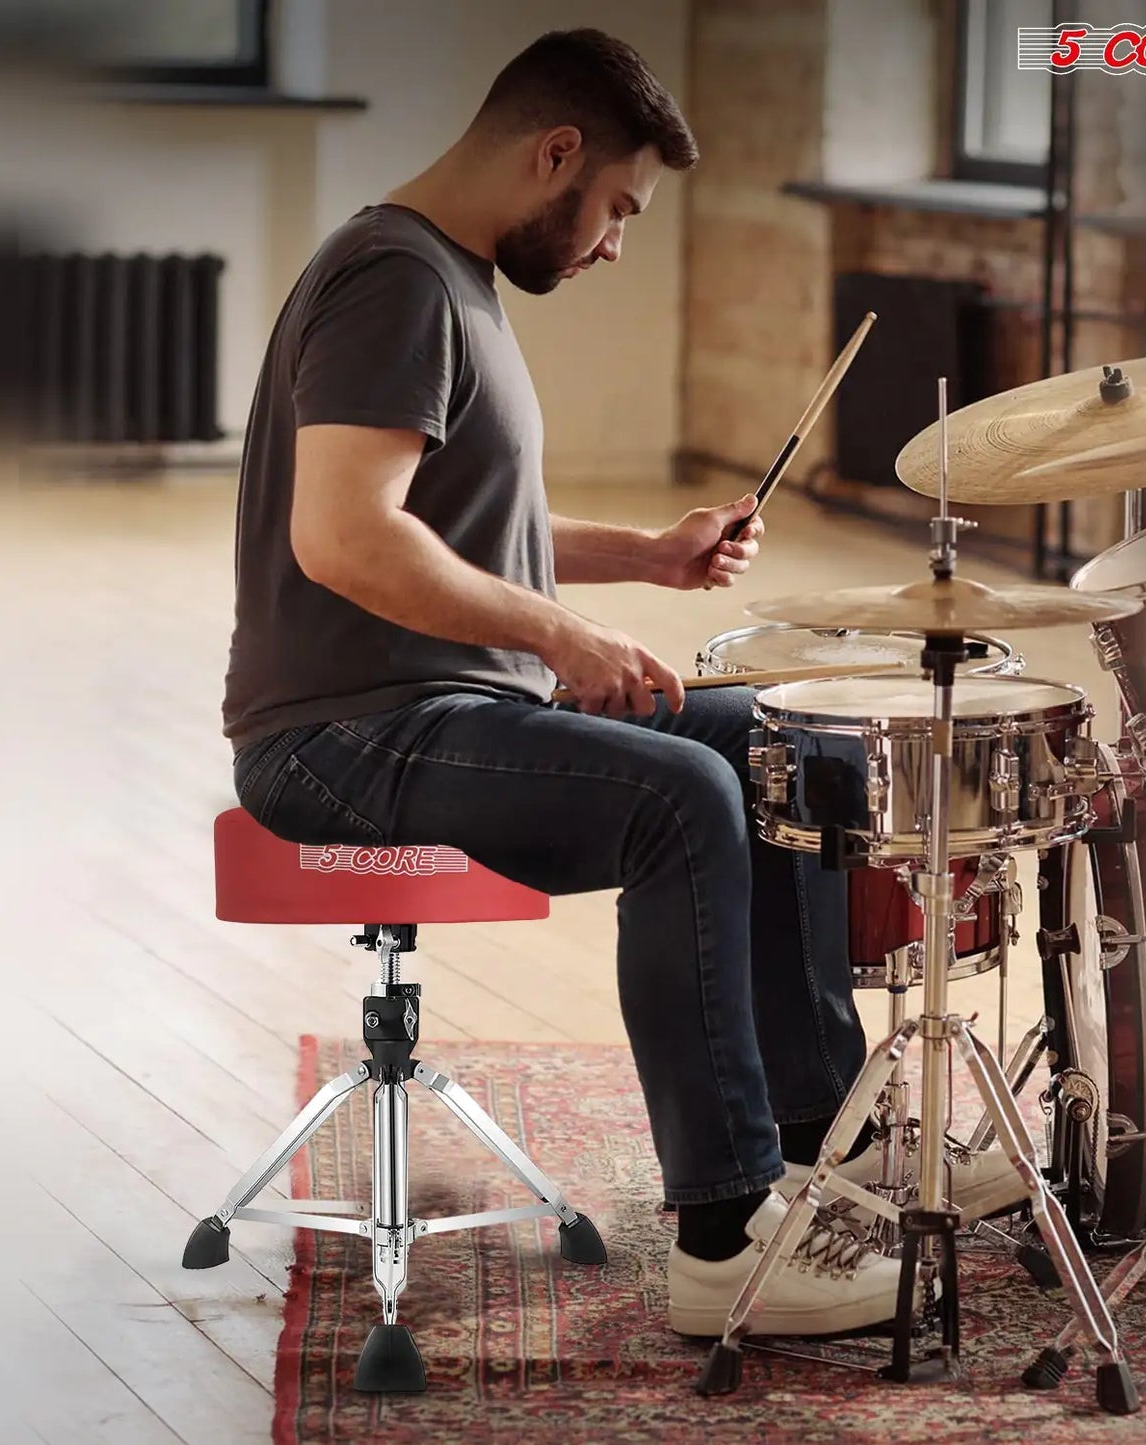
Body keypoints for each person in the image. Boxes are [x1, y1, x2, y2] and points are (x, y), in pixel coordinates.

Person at [222, 27, 1019, 1337]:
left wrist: (642, 557)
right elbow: (347, 537)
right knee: (679, 796)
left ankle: (830, 1138)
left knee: (781, 747)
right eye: (617, 210)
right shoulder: (397, 282)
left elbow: (455, 523)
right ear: (553, 154)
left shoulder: (448, 277)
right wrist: (556, 632)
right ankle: (722, 1237)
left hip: (445, 708)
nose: (613, 244)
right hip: (341, 737)